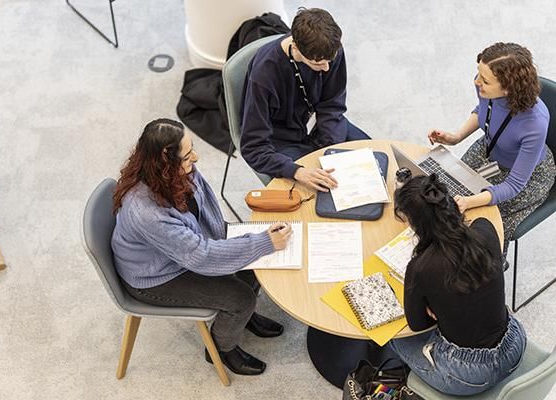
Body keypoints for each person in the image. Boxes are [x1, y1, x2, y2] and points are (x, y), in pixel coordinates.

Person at [111, 118, 293, 376]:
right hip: (155, 276)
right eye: (187, 156)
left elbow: (207, 207)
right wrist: (261, 242)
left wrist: (236, 241)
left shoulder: (178, 171)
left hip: (185, 248)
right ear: (165, 162)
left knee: (256, 263)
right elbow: (199, 256)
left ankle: (243, 318)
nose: (195, 158)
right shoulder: (147, 212)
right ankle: (221, 349)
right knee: (241, 298)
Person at [390, 174, 526, 396]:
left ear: (417, 225)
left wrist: (436, 307)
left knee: (395, 339)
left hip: (469, 375)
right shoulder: (485, 229)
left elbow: (417, 324)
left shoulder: (421, 267)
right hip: (514, 345)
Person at [428, 42, 556, 262]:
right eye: (478, 74)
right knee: (446, 191)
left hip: (527, 176)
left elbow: (514, 185)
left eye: (485, 81)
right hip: (491, 149)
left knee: (483, 222)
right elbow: (484, 111)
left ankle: (488, 268)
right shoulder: (485, 87)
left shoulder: (535, 122)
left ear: (509, 88)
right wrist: (456, 137)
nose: (477, 82)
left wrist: (471, 202)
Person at [240, 7, 370, 192]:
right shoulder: (264, 75)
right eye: (318, 63)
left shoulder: (330, 50)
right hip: (279, 138)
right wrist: (296, 171)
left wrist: (329, 148)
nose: (326, 68)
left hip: (317, 125)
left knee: (372, 160)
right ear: (295, 46)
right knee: (320, 193)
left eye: (329, 61)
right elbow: (253, 146)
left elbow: (332, 106)